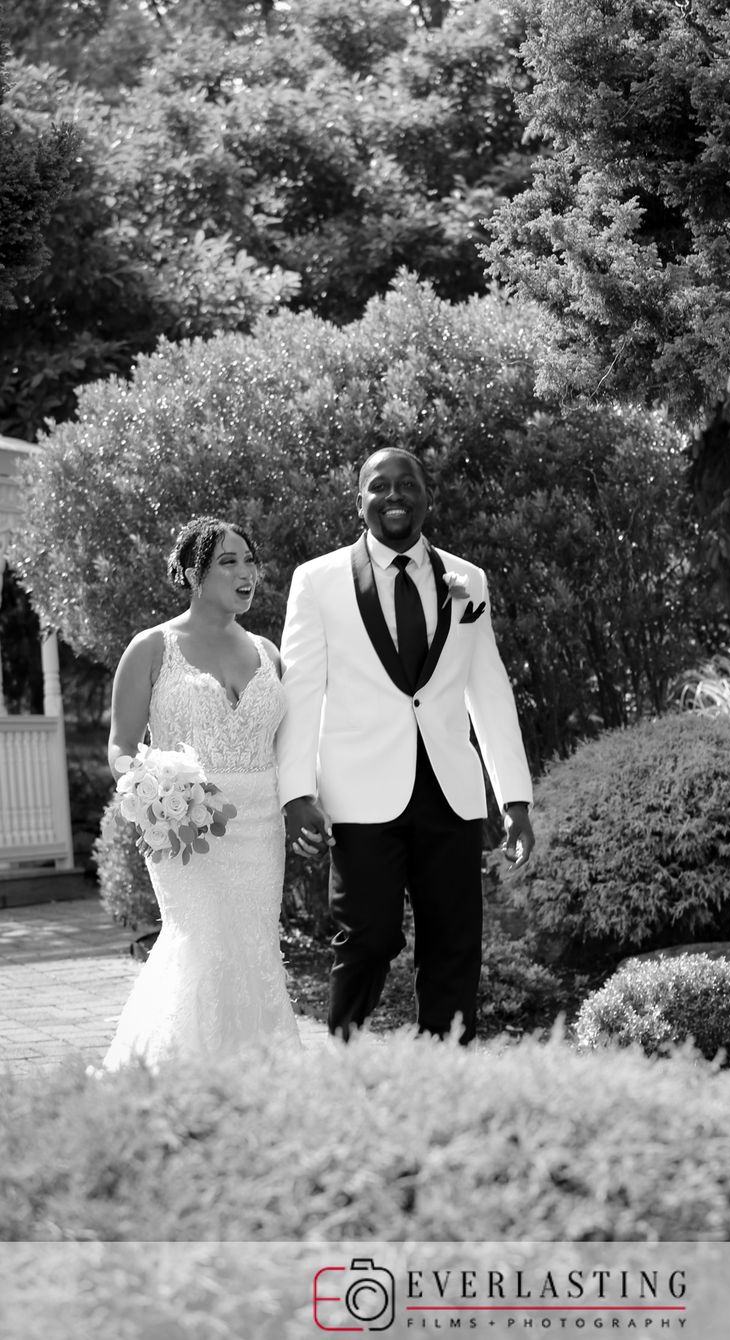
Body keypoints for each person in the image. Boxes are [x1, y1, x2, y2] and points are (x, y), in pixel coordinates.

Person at [277, 446, 535, 1044]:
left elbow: (489, 690)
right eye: (379, 486)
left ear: (426, 497)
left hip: (450, 794)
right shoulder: (317, 581)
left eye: (407, 484)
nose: (394, 495)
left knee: (455, 943)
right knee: (367, 937)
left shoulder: (468, 580)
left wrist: (514, 799)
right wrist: (296, 793)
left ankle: (447, 1068)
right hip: (360, 796)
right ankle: (349, 1056)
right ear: (359, 502)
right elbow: (301, 692)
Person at [101, 516, 300, 1070]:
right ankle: (177, 1074)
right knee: (201, 944)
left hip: (261, 831)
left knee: (254, 946)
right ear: (193, 574)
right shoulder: (151, 648)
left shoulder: (269, 653)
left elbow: (290, 747)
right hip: (186, 828)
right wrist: (153, 790)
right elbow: (120, 746)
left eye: (249, 560)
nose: (245, 573)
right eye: (227, 562)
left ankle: (259, 1076)